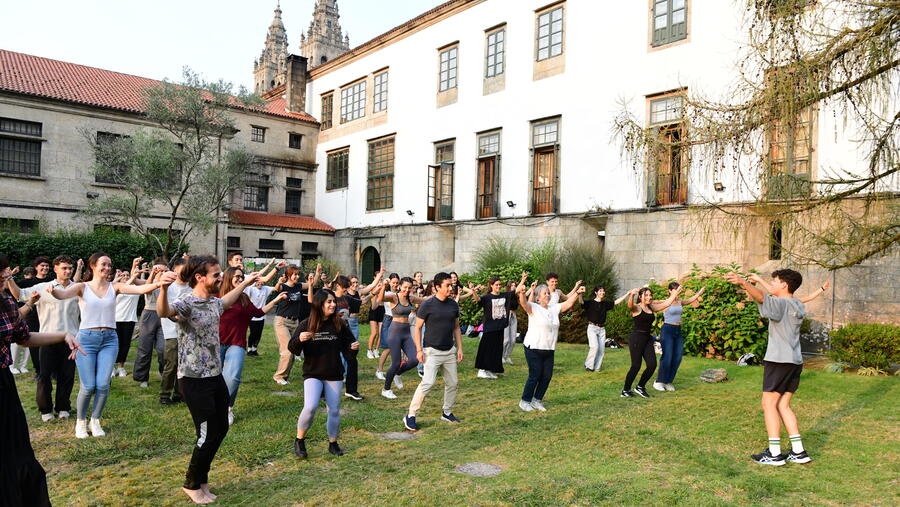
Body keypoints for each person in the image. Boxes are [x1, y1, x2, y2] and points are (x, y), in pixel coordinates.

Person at [157, 255, 260, 504]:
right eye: (216, 275)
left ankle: (202, 480)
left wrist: (245, 284)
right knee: (206, 433)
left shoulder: (213, 302)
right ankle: (191, 484)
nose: (221, 278)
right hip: (193, 379)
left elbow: (226, 301)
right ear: (200, 277)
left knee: (221, 427)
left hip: (214, 375)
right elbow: (164, 311)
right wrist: (163, 289)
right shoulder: (186, 302)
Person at [0, 253, 82, 507]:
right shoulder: (36, 290)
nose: (5, 276)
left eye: (6, 272)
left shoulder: (6, 303)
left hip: (3, 383)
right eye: (1, 272)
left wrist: (63, 335)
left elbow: (24, 338)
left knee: (17, 451)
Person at [50, 253, 163, 438]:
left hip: (109, 340)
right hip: (86, 340)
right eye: (103, 264)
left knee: (103, 385)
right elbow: (62, 294)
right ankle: (80, 422)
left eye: (109, 265)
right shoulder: (82, 287)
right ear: (93, 266)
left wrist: (159, 283)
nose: (107, 268)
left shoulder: (114, 287)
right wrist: (52, 291)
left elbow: (140, 290)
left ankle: (95, 420)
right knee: (88, 386)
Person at [726, 269, 812, 466]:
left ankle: (774, 454)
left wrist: (743, 282)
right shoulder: (797, 304)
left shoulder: (780, 304)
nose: (771, 284)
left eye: (774, 281)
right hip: (795, 362)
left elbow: (762, 297)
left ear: (784, 285)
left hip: (779, 361)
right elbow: (767, 296)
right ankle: (798, 451)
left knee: (769, 404)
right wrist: (757, 283)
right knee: (783, 405)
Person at [6, 256, 82, 422]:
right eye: (64, 268)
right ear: (55, 269)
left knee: (67, 376)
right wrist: (9, 277)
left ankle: (63, 408)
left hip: (71, 340)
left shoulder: (77, 289)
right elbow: (19, 294)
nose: (68, 271)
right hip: (47, 338)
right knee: (44, 376)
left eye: (70, 268)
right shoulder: (43, 287)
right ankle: (46, 410)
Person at [288, 289, 358, 458]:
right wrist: (300, 340)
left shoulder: (340, 324)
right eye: (329, 302)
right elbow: (292, 348)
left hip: (334, 373)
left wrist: (353, 348)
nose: (333, 304)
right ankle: (299, 440)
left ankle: (333, 443)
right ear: (320, 304)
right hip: (313, 373)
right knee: (310, 406)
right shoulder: (306, 324)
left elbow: (349, 351)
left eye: (334, 301)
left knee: (334, 410)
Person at [219, 266, 286, 423]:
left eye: (242, 277)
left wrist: (275, 300)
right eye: (237, 276)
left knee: (233, 377)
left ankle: (228, 408)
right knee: (215, 377)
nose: (240, 279)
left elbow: (258, 313)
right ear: (228, 277)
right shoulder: (218, 295)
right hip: (216, 343)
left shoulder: (244, 298)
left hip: (237, 343)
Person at [403, 272, 464, 431]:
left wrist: (459, 348)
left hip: (449, 351)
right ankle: (411, 415)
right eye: (447, 285)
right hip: (432, 351)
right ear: (437, 287)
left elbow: (456, 327)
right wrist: (419, 350)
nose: (450, 288)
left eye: (451, 285)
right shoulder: (427, 305)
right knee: (427, 383)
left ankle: (447, 412)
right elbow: (417, 328)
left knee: (453, 383)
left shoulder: (453, 305)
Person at [517, 279, 584, 412]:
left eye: (548, 293)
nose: (548, 295)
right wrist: (522, 293)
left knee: (547, 376)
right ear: (538, 297)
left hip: (548, 349)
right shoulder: (533, 307)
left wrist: (577, 292)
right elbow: (523, 304)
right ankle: (525, 401)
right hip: (533, 348)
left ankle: (537, 400)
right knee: (535, 375)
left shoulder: (554, 308)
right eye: (545, 293)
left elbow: (568, 303)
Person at [621, 286, 682, 399]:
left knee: (652, 365)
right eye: (646, 295)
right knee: (636, 366)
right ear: (640, 297)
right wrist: (632, 295)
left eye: (650, 295)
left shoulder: (651, 307)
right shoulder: (637, 308)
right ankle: (625, 390)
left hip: (648, 339)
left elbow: (667, 303)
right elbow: (630, 305)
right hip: (636, 339)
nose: (649, 297)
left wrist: (675, 293)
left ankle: (640, 387)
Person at [375, 276, 427, 399]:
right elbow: (380, 298)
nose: (407, 290)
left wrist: (437, 296)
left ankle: (398, 373)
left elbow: (424, 300)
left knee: (415, 359)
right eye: (405, 287)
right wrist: (383, 286)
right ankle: (386, 389)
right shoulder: (394, 297)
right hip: (395, 332)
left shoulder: (411, 298)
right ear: (399, 286)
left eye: (409, 288)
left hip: (406, 333)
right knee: (396, 363)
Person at [466, 273, 525, 379]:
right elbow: (478, 299)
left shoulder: (504, 295)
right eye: (496, 285)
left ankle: (491, 370)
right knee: (487, 349)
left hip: (500, 327)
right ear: (491, 285)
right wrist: (473, 291)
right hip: (489, 328)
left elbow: (516, 290)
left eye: (499, 285)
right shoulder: (487, 297)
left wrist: (523, 279)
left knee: (496, 350)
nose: (498, 286)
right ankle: (482, 370)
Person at [333, 272, 381, 401]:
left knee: (352, 359)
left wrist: (373, 293)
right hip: (332, 332)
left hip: (346, 330)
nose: (346, 291)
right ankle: (325, 390)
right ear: (338, 286)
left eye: (347, 288)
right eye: (344, 288)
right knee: (331, 359)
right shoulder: (329, 297)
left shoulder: (347, 299)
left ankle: (351, 390)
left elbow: (361, 301)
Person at [653, 282, 706, 391]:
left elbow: (690, 300)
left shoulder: (679, 301)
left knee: (677, 357)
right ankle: (659, 381)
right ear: (669, 291)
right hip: (667, 329)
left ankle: (668, 381)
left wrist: (699, 293)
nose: (678, 291)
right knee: (667, 356)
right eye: (675, 289)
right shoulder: (666, 301)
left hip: (678, 330)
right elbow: (652, 303)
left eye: (678, 289)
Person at [271, 264, 316, 385]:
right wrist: (279, 282)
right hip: (282, 321)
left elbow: (312, 284)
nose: (297, 276)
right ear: (288, 275)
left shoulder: (298, 286)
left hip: (295, 322)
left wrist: (315, 274)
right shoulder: (284, 286)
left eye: (298, 274)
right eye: (294, 274)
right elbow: (277, 288)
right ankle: (279, 376)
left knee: (294, 349)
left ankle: (285, 376)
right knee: (287, 350)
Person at [159, 257, 192, 405]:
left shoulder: (192, 288)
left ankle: (180, 394)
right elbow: (164, 308)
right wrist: (176, 317)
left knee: (185, 364)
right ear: (175, 270)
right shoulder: (169, 287)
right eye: (182, 270)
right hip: (172, 332)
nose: (186, 273)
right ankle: (165, 395)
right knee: (171, 364)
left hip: (188, 332)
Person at [15, 256, 54, 375]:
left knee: (50, 343)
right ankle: (39, 371)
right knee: (34, 345)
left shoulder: (52, 281)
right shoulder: (28, 282)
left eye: (47, 265)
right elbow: (15, 291)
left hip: (50, 317)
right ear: (36, 267)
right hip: (33, 318)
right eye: (42, 265)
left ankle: (52, 370)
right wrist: (10, 276)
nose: (45, 267)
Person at [133, 259, 168, 388]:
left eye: (164, 270)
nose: (161, 273)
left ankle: (163, 371)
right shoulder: (149, 282)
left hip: (164, 316)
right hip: (149, 315)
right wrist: (152, 274)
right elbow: (145, 290)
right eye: (158, 270)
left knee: (163, 348)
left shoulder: (169, 283)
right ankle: (142, 378)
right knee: (145, 348)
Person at [579, 285, 629, 373]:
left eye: (603, 291)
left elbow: (616, 302)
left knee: (601, 350)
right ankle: (589, 365)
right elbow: (581, 302)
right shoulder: (590, 303)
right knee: (594, 347)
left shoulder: (605, 304)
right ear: (596, 292)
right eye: (600, 291)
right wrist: (580, 293)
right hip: (592, 328)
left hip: (602, 329)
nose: (602, 292)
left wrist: (627, 294)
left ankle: (597, 368)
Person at [113, 261, 147, 377]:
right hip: (115, 320)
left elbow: (143, 285)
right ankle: (112, 367)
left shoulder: (134, 288)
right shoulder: (115, 288)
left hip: (129, 320)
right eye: (123, 275)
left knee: (125, 345)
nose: (126, 277)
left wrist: (141, 271)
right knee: (115, 344)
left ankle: (121, 367)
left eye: (128, 275)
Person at [375, 273, 400, 379]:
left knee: (396, 348)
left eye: (397, 283)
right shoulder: (386, 293)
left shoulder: (400, 293)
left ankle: (393, 370)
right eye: (393, 282)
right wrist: (383, 285)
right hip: (388, 320)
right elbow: (379, 299)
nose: (395, 284)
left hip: (398, 321)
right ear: (390, 282)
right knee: (388, 348)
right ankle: (379, 370)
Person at [501, 280, 519, 365]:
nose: (514, 287)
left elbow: (525, 294)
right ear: (509, 287)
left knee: (513, 340)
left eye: (515, 285)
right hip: (506, 316)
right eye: (512, 285)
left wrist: (532, 289)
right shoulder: (506, 295)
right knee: (506, 340)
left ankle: (507, 356)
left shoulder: (516, 295)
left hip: (513, 316)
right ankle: (501, 356)